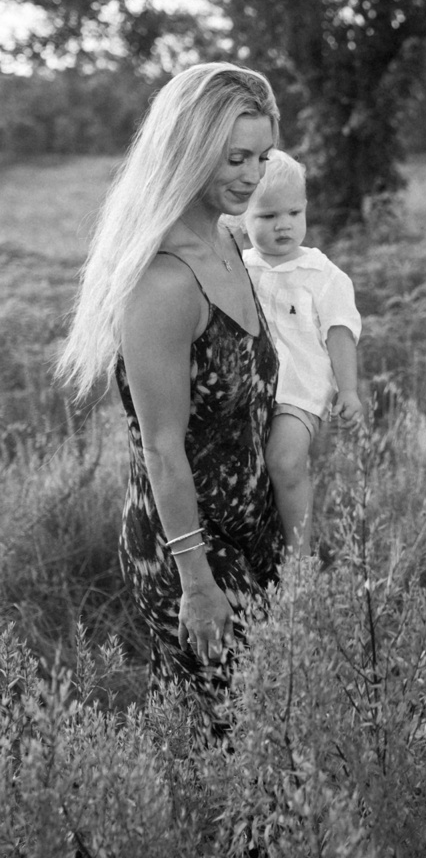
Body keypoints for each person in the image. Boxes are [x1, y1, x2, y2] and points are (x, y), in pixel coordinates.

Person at [57, 63, 284, 737]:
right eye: (235, 157)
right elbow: (161, 449)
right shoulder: (162, 283)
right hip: (188, 544)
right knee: (252, 731)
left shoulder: (228, 241)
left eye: (263, 157)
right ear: (189, 152)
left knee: (206, 729)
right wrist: (195, 582)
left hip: (255, 528)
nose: (252, 175)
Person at [241, 148, 363, 552]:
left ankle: (300, 556)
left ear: (306, 208)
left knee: (286, 461)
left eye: (293, 213)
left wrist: (348, 391)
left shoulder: (322, 274)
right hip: (244, 390)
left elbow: (340, 332)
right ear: (240, 217)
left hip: (298, 389)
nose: (283, 226)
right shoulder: (238, 267)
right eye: (268, 216)